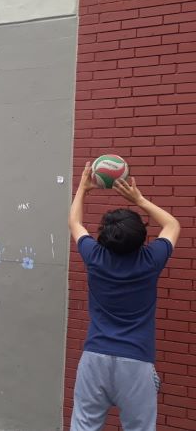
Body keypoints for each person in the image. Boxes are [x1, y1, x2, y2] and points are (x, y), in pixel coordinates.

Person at [68, 163, 179, 431]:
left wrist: (83, 187)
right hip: (136, 362)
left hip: (95, 358)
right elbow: (172, 224)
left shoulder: (95, 257)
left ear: (104, 238)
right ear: (142, 238)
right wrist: (138, 199)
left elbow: (74, 222)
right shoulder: (151, 260)